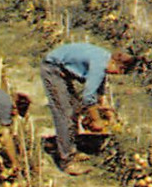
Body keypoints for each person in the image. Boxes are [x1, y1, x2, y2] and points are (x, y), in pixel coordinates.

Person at [39, 42, 129, 175]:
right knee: (65, 114)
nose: (116, 75)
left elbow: (100, 94)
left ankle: (70, 148)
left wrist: (109, 113)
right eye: (118, 72)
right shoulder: (100, 64)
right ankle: (67, 161)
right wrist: (96, 120)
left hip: (60, 69)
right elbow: (88, 97)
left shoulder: (104, 58)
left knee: (75, 109)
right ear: (116, 65)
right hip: (52, 69)